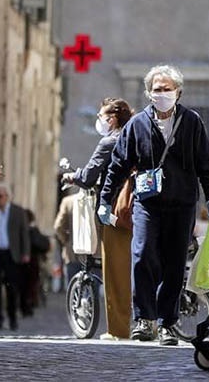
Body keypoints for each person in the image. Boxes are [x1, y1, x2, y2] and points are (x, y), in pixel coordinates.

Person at [99, 65, 209, 346]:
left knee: (174, 263)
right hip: (147, 203)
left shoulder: (192, 122)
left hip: (182, 204)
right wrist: (106, 199)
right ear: (148, 93)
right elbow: (118, 165)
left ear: (178, 92)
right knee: (142, 255)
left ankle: (167, 322)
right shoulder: (137, 124)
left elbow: (206, 163)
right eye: (156, 89)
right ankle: (144, 319)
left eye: (167, 89)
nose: (161, 93)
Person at [61, 97, 134, 340]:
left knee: (115, 270)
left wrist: (73, 176)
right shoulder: (137, 136)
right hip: (141, 209)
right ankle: (149, 324)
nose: (100, 122)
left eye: (101, 117)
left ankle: (119, 329)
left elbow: (90, 175)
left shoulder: (109, 141)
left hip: (116, 210)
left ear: (112, 119)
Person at [0, 184, 30, 331]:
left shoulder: (18, 212)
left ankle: (12, 318)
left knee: (12, 288)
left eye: (2, 196)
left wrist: (25, 253)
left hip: (12, 254)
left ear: (8, 197)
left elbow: (24, 234)